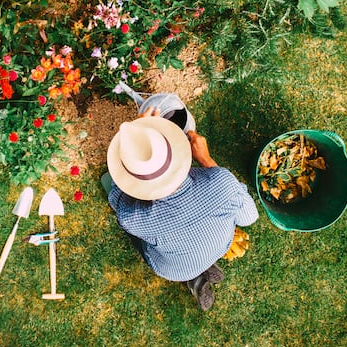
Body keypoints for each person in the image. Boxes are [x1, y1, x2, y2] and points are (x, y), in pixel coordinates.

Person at [103, 106, 258, 311]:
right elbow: (249, 217)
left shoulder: (133, 218)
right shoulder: (222, 183)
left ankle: (193, 279)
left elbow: (117, 195)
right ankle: (202, 267)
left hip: (174, 269)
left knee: (146, 239)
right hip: (218, 246)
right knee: (190, 244)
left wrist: (133, 148)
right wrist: (206, 160)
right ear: (179, 151)